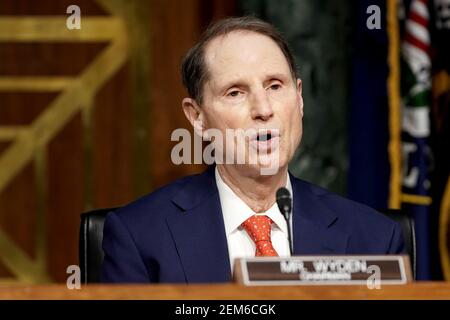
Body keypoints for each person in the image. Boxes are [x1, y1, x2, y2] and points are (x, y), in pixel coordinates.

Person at [101, 16, 404, 283]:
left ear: (299, 99)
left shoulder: (375, 238)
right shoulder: (140, 236)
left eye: (275, 86)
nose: (263, 109)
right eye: (235, 92)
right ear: (197, 117)